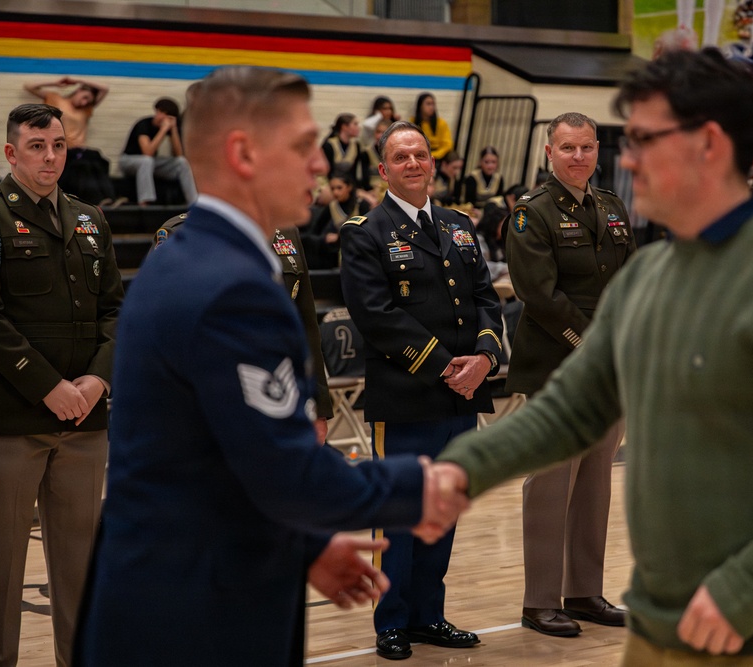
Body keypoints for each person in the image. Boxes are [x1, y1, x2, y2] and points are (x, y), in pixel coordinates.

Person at [437, 48, 753, 667]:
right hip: (661, 628)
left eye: (641, 139)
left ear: (707, 145)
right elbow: (571, 409)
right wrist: (455, 472)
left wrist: (749, 588)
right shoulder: (650, 277)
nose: (625, 160)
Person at [74, 67, 467, 667]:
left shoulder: (189, 257)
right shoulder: (230, 287)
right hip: (197, 619)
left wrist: (305, 545)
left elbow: (227, 457)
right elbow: (286, 471)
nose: (321, 165)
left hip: (178, 590)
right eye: (304, 145)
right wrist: (418, 485)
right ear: (243, 153)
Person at [0, 103, 124, 667]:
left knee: (79, 563)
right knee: (1, 565)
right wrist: (51, 388)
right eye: (38, 146)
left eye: (58, 145)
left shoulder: (91, 219)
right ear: (11, 153)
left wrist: (95, 380)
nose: (51, 156)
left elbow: (117, 312)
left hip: (85, 419)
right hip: (13, 420)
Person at [339, 120, 504, 660]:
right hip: (407, 395)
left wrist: (484, 357)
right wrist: (444, 365)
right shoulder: (365, 231)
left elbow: (486, 298)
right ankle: (392, 622)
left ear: (432, 164)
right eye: (400, 157)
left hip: (461, 395)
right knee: (402, 512)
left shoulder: (458, 224)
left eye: (421, 155)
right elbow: (376, 316)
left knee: (445, 510)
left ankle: (428, 615)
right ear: (383, 169)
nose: (413, 163)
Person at [506, 111, 636, 638]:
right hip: (556, 369)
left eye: (585, 147)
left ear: (597, 149)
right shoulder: (529, 213)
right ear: (549, 153)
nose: (578, 157)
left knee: (596, 483)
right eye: (567, 148)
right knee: (551, 484)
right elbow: (538, 295)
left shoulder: (611, 206)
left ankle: (584, 591)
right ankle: (540, 601)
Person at [154, 212, 334, 443]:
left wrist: (319, 406)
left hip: (283, 402)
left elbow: (306, 326)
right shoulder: (179, 232)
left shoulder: (286, 230)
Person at [23, 76, 115, 205]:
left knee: (99, 161)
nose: (84, 103)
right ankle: (98, 200)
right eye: (85, 97)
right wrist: (55, 82)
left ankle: (108, 199)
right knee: (85, 164)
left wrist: (81, 80)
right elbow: (29, 86)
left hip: (82, 150)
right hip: (65, 149)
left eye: (88, 101)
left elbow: (105, 88)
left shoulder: (85, 109)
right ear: (78, 91)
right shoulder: (56, 99)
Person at [118, 97, 198, 206]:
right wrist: (163, 130)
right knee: (146, 160)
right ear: (157, 112)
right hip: (128, 161)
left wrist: (173, 129)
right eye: (161, 113)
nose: (162, 117)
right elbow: (148, 152)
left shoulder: (171, 127)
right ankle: (145, 202)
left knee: (182, 162)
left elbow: (178, 154)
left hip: (149, 163)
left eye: (167, 115)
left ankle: (194, 203)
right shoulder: (143, 124)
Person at [303, 168, 370, 269]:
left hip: (361, 254)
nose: (335, 192)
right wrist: (325, 238)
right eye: (332, 188)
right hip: (339, 258)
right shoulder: (332, 206)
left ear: (349, 187)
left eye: (339, 188)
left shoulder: (361, 205)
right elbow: (314, 233)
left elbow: (370, 232)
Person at [322, 112, 373, 191]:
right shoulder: (329, 145)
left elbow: (353, 173)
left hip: (347, 186)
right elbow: (327, 172)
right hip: (329, 185)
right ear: (344, 127)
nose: (358, 128)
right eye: (355, 124)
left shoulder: (356, 145)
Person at [411, 92, 454, 161]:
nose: (431, 107)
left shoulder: (441, 123)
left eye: (433, 104)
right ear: (420, 106)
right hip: (419, 154)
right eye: (428, 104)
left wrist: (433, 155)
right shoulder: (412, 122)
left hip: (438, 155)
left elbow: (447, 145)